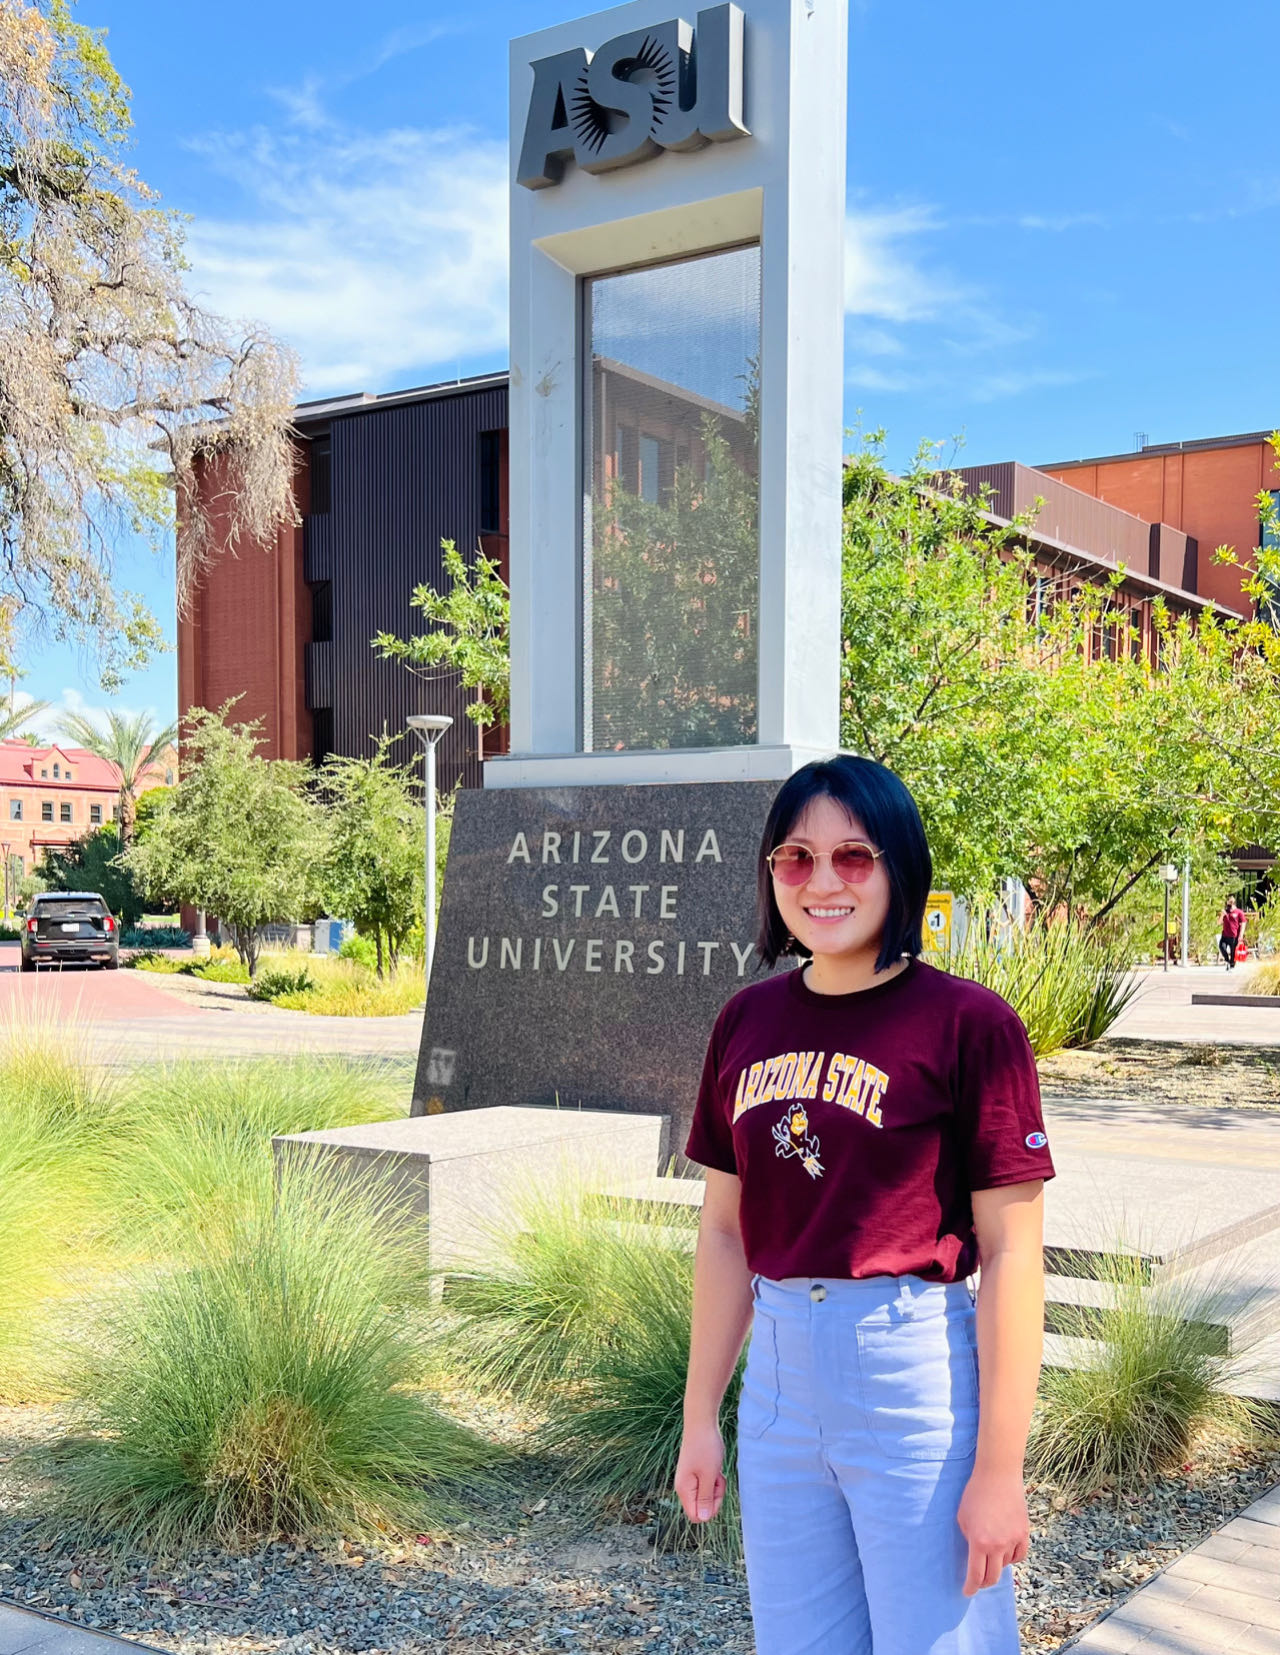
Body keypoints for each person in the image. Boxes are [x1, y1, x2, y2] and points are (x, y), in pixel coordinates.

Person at [674, 756, 1054, 1655]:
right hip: (778, 1382)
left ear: (899, 866)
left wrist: (1000, 1469)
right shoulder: (744, 1022)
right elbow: (724, 1234)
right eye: (796, 857)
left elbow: (1012, 1252)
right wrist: (700, 1417)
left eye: (853, 855)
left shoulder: (970, 1025)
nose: (823, 882)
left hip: (910, 1374)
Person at [1219, 898, 1246, 970]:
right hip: (1225, 935)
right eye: (1228, 904)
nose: (1229, 906)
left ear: (1233, 904)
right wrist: (1222, 915)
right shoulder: (1225, 912)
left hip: (1234, 936)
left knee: (1233, 952)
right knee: (1222, 947)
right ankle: (1227, 960)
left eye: (1230, 904)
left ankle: (1231, 964)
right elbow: (1218, 923)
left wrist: (1241, 935)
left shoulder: (1239, 912)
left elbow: (1243, 923)